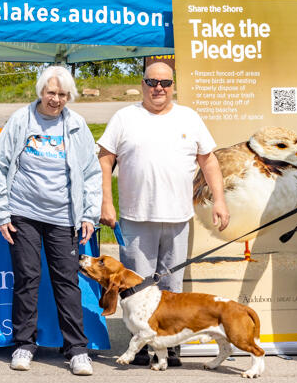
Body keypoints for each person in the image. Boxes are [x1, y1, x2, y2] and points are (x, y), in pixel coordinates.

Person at [97, 61, 229, 367]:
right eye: (152, 82)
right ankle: (142, 345)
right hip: (135, 217)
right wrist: (106, 202)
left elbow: (209, 162)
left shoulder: (189, 117)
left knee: (172, 291)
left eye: (165, 83)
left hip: (178, 218)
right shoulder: (124, 118)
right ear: (142, 84)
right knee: (137, 287)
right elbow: (105, 160)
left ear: (173, 86)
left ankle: (169, 345)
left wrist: (219, 200)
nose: (159, 88)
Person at [0, 66, 101, 376]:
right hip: (23, 213)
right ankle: (24, 344)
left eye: (63, 94)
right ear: (41, 92)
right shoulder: (21, 120)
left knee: (67, 281)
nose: (56, 99)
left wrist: (89, 214)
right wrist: (0, 212)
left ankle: (77, 349)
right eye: (51, 93)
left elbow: (91, 173)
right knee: (27, 278)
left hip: (64, 216)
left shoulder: (76, 125)